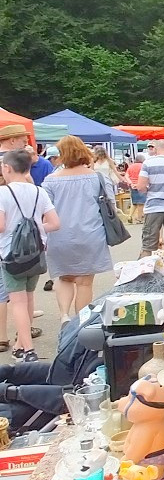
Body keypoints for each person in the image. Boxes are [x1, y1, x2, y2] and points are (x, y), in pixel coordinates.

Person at [44, 136, 115, 326]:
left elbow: (44, 210)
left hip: (59, 235)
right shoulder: (96, 177)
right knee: (84, 282)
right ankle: (80, 323)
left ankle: (64, 315)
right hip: (90, 234)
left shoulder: (50, 181)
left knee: (64, 277)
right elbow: (110, 203)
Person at [0, 149, 60, 362]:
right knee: (28, 297)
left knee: (17, 302)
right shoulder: (39, 192)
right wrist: (35, 227)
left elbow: (1, 226)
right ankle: (20, 345)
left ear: (7, 168)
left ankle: (28, 349)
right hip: (36, 253)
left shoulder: (3, 193)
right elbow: (55, 223)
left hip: (11, 254)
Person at [127, 152, 147, 224]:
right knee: (141, 203)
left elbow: (127, 176)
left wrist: (131, 183)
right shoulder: (143, 166)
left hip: (132, 186)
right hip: (140, 185)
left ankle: (130, 216)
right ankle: (139, 218)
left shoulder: (131, 166)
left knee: (134, 202)